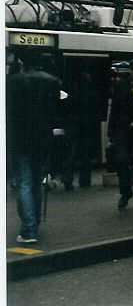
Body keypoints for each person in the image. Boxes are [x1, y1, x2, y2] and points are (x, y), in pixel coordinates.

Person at [6, 52, 62, 243]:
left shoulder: (13, 81)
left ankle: (29, 229)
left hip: (20, 139)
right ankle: (35, 222)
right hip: (43, 138)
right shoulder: (53, 81)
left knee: (24, 182)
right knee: (37, 182)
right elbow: (56, 112)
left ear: (23, 62)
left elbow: (10, 113)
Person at [108, 58, 133, 209]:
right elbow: (115, 109)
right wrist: (111, 132)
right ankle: (125, 193)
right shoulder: (121, 85)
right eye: (132, 69)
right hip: (123, 130)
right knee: (121, 160)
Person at [61, 71, 101, 190]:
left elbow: (67, 109)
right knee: (86, 156)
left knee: (71, 155)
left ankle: (67, 180)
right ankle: (85, 181)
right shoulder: (93, 94)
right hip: (87, 128)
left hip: (73, 127)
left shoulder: (72, 94)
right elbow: (96, 113)